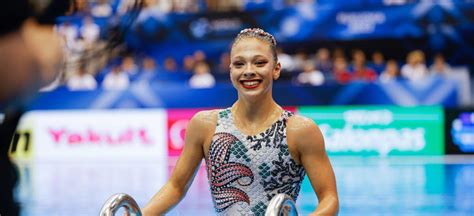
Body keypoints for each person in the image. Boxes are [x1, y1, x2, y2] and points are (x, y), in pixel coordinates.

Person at [142, 28, 339, 215]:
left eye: (260, 63)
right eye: (239, 64)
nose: (248, 71)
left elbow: (329, 198)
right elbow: (175, 187)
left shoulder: (299, 131)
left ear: (276, 69)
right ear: (230, 71)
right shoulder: (205, 125)